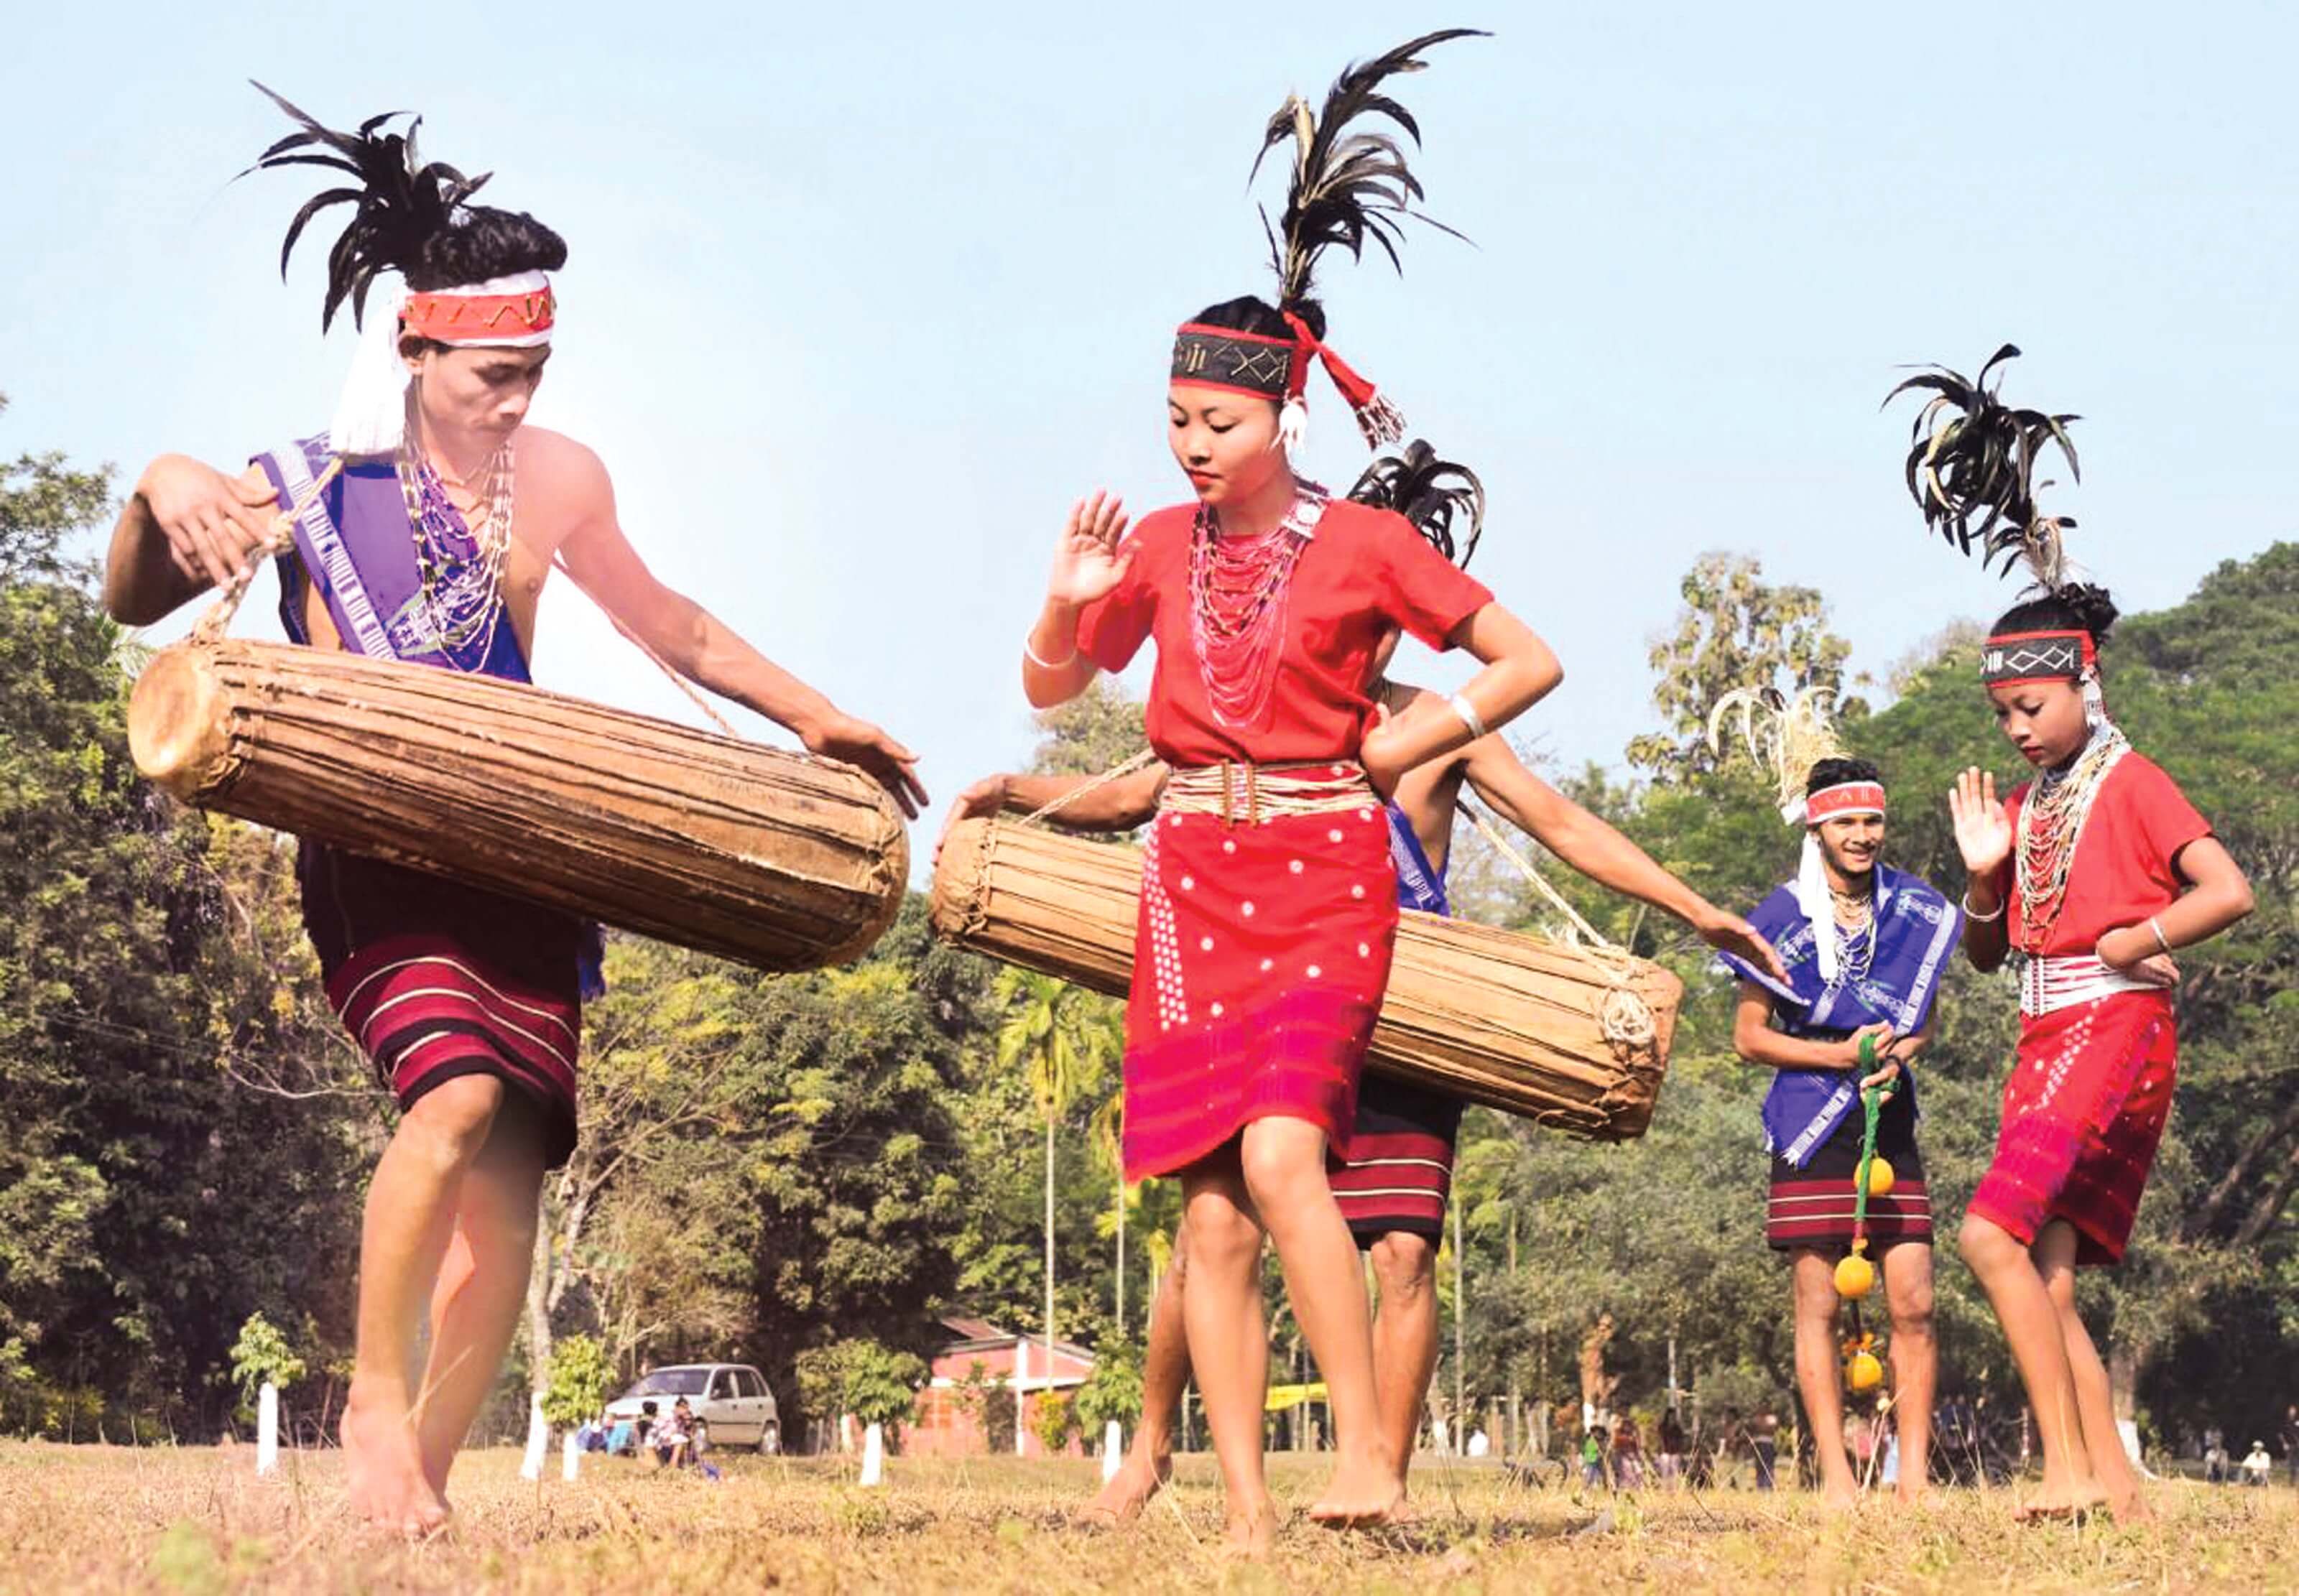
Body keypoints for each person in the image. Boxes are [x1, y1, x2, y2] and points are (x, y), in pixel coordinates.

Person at [101, 89, 924, 1537]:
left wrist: (813, 712)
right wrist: (160, 486)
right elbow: (132, 595)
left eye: (535, 370)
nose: (516, 399)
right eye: (490, 373)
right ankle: (367, 1405)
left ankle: (419, 1470)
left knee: (512, 1188)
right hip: (374, 848)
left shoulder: (554, 478)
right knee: (456, 1093)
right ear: (412, 345)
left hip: (534, 849)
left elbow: (669, 621)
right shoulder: (308, 481)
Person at [952, 445, 1782, 1529]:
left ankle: (1372, 1468)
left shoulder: (1434, 726)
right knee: (1218, 1224)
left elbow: (1563, 825)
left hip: (1399, 1000)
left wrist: (1696, 909)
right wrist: (1017, 788)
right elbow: (1143, 789)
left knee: (1399, 1247)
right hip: (1246, 959)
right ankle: (1155, 1450)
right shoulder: (1261, 699)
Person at [1017, 30, 1550, 1546]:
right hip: (1187, 878)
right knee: (1204, 1216)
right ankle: (1248, 1510)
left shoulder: (1369, 545)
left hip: (1325, 868)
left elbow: (1524, 655)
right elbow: (1054, 688)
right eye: (1178, 420)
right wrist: (1067, 601)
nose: (1191, 446)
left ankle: (1373, 1454)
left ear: (1284, 414)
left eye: (1220, 423)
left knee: (1279, 1152)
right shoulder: (1162, 548)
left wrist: (1403, 740)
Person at [1906, 353, 2254, 1524]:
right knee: (2042, 1274)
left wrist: (2135, 934)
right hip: (2042, 1022)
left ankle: (2061, 1472)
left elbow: (2229, 889)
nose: (2014, 728)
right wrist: (1985, 882)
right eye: (2001, 714)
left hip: (2114, 1019)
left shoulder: (2133, 778)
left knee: (1989, 1234)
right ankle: (2117, 1491)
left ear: (2081, 682)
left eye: (2030, 707)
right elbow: (1990, 958)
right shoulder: (2027, 804)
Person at [1713, 690, 1959, 1510]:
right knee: (1817, 1302)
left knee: (1913, 1301)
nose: (1861, 837)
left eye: (1872, 823)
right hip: (1809, 1121)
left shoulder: (1914, 909)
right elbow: (1750, 1036)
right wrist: (1838, 1054)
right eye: (1845, 824)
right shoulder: (1777, 920)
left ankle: (1914, 1479)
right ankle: (1833, 1477)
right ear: (1814, 828)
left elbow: (1919, 1019)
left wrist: (1897, 1053)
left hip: (1888, 1120)